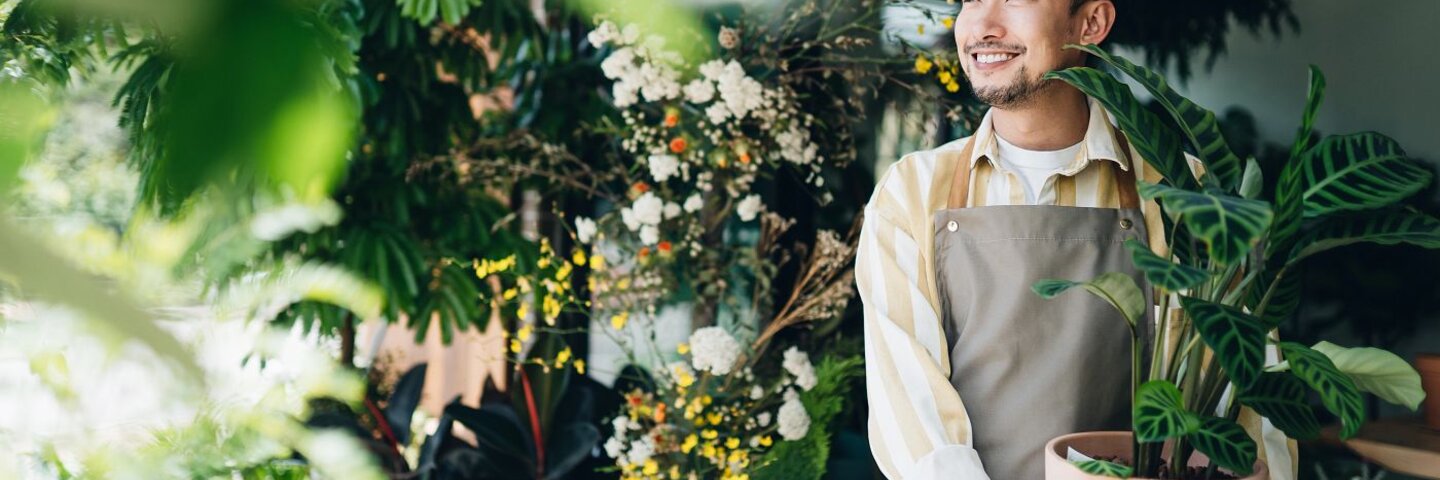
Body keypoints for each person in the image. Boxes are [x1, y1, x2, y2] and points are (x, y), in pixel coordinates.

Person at [856, 0, 1296, 478]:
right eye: (972, 0)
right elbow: (913, 419)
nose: (982, 25)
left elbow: (1252, 412)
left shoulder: (1187, 195)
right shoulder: (912, 194)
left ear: (1091, 23)